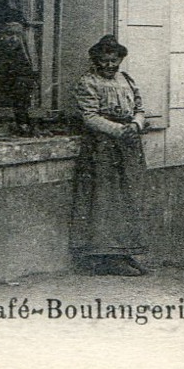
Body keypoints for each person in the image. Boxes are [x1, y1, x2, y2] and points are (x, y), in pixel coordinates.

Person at [70, 35, 148, 276]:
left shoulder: (126, 80)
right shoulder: (88, 82)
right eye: (104, 61)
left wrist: (135, 125)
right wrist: (118, 131)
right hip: (102, 147)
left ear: (120, 60)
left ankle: (125, 251)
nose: (109, 65)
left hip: (128, 145)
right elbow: (90, 116)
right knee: (106, 200)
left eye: (114, 60)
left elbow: (139, 108)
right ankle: (105, 256)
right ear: (96, 61)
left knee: (129, 197)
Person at [0, 17, 40, 136]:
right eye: (9, 34)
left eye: (18, 35)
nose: (14, 39)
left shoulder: (22, 59)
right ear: (0, 34)